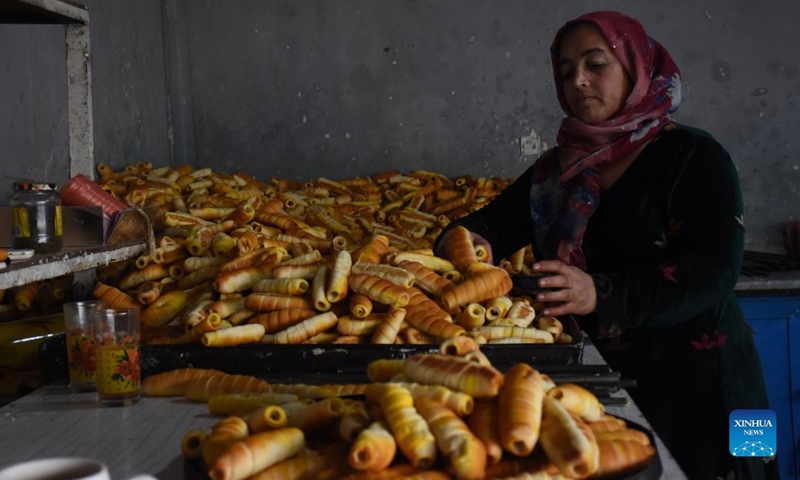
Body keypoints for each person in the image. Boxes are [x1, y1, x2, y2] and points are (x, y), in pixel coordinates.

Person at [435, 10, 777, 479]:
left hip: (712, 380)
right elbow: (487, 224)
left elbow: (715, 269)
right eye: (565, 70)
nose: (578, 80)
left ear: (635, 67)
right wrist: (468, 241)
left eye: (596, 64)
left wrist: (600, 293)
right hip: (610, 382)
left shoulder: (693, 156)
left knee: (743, 469)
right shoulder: (557, 171)